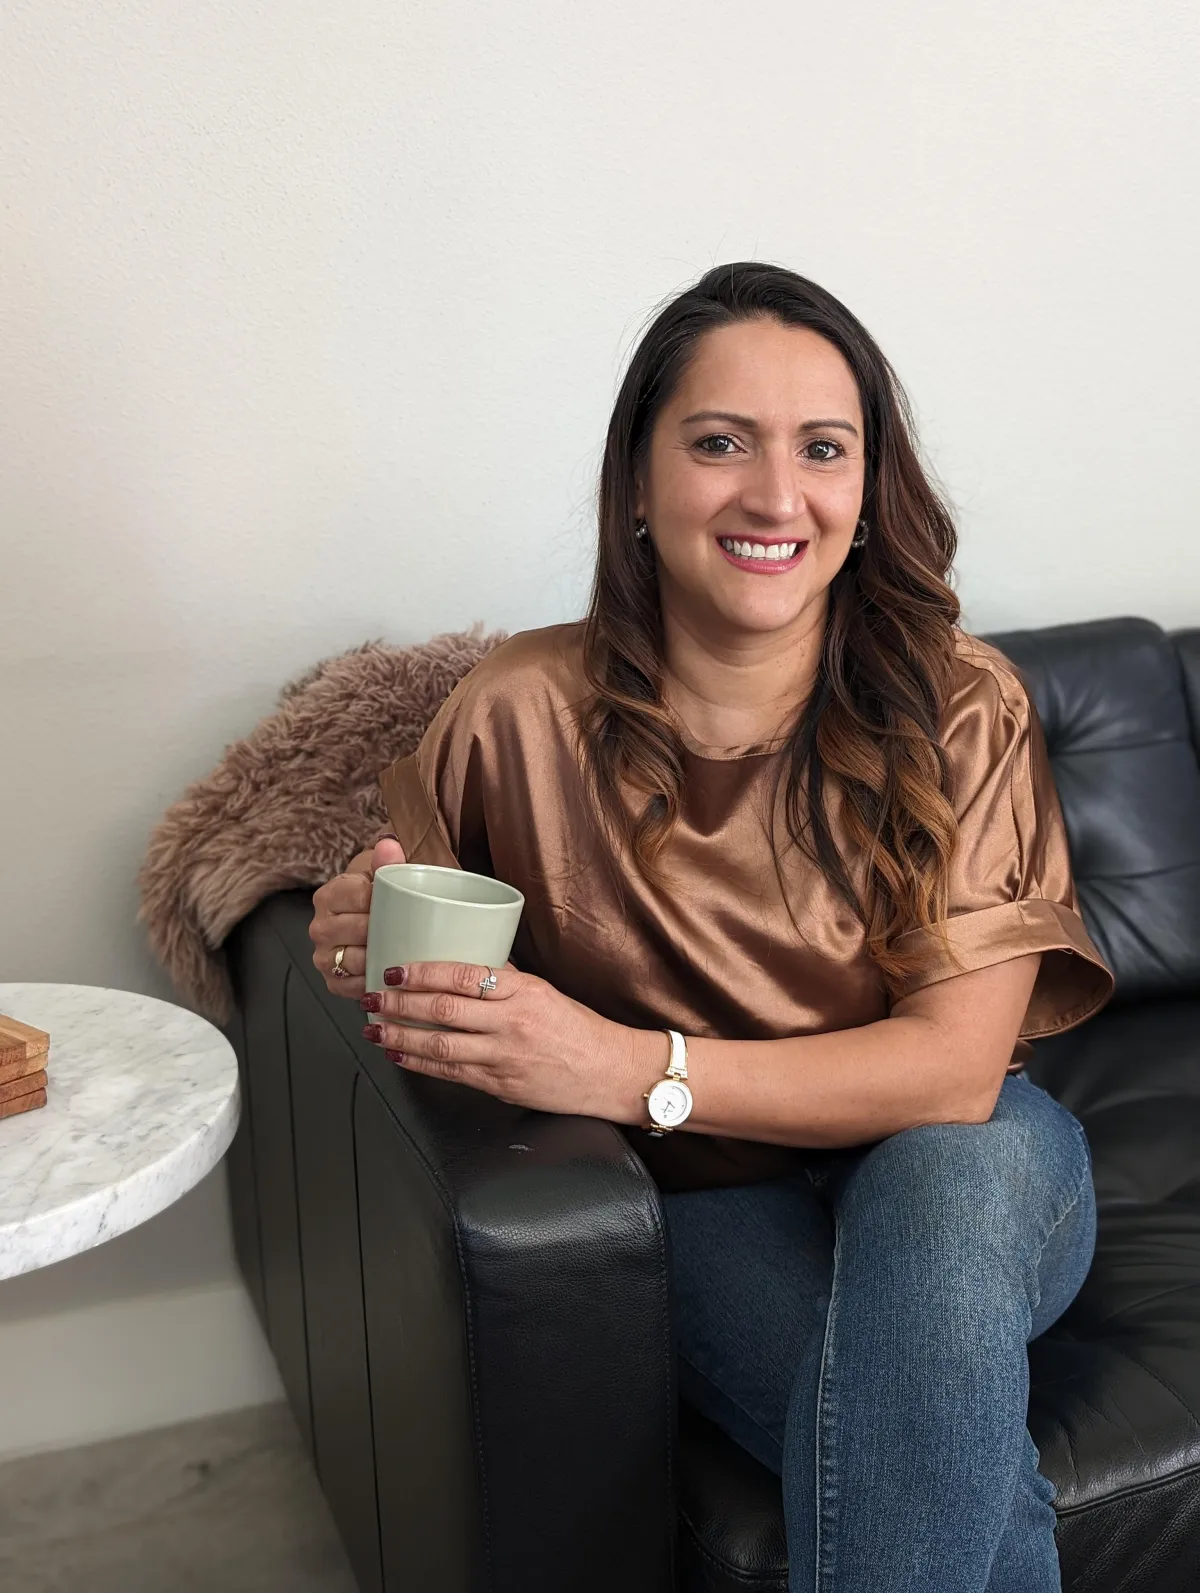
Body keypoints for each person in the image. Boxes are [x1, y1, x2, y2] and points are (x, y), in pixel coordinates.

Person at [308, 262, 1113, 1592]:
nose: (775, 496)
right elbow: (408, 938)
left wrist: (625, 1067)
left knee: (948, 1176)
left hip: (964, 1160)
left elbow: (955, 1073)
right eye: (721, 442)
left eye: (823, 449)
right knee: (921, 1445)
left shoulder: (960, 704)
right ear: (639, 478)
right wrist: (357, 931)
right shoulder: (515, 713)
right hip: (708, 1202)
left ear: (868, 492)